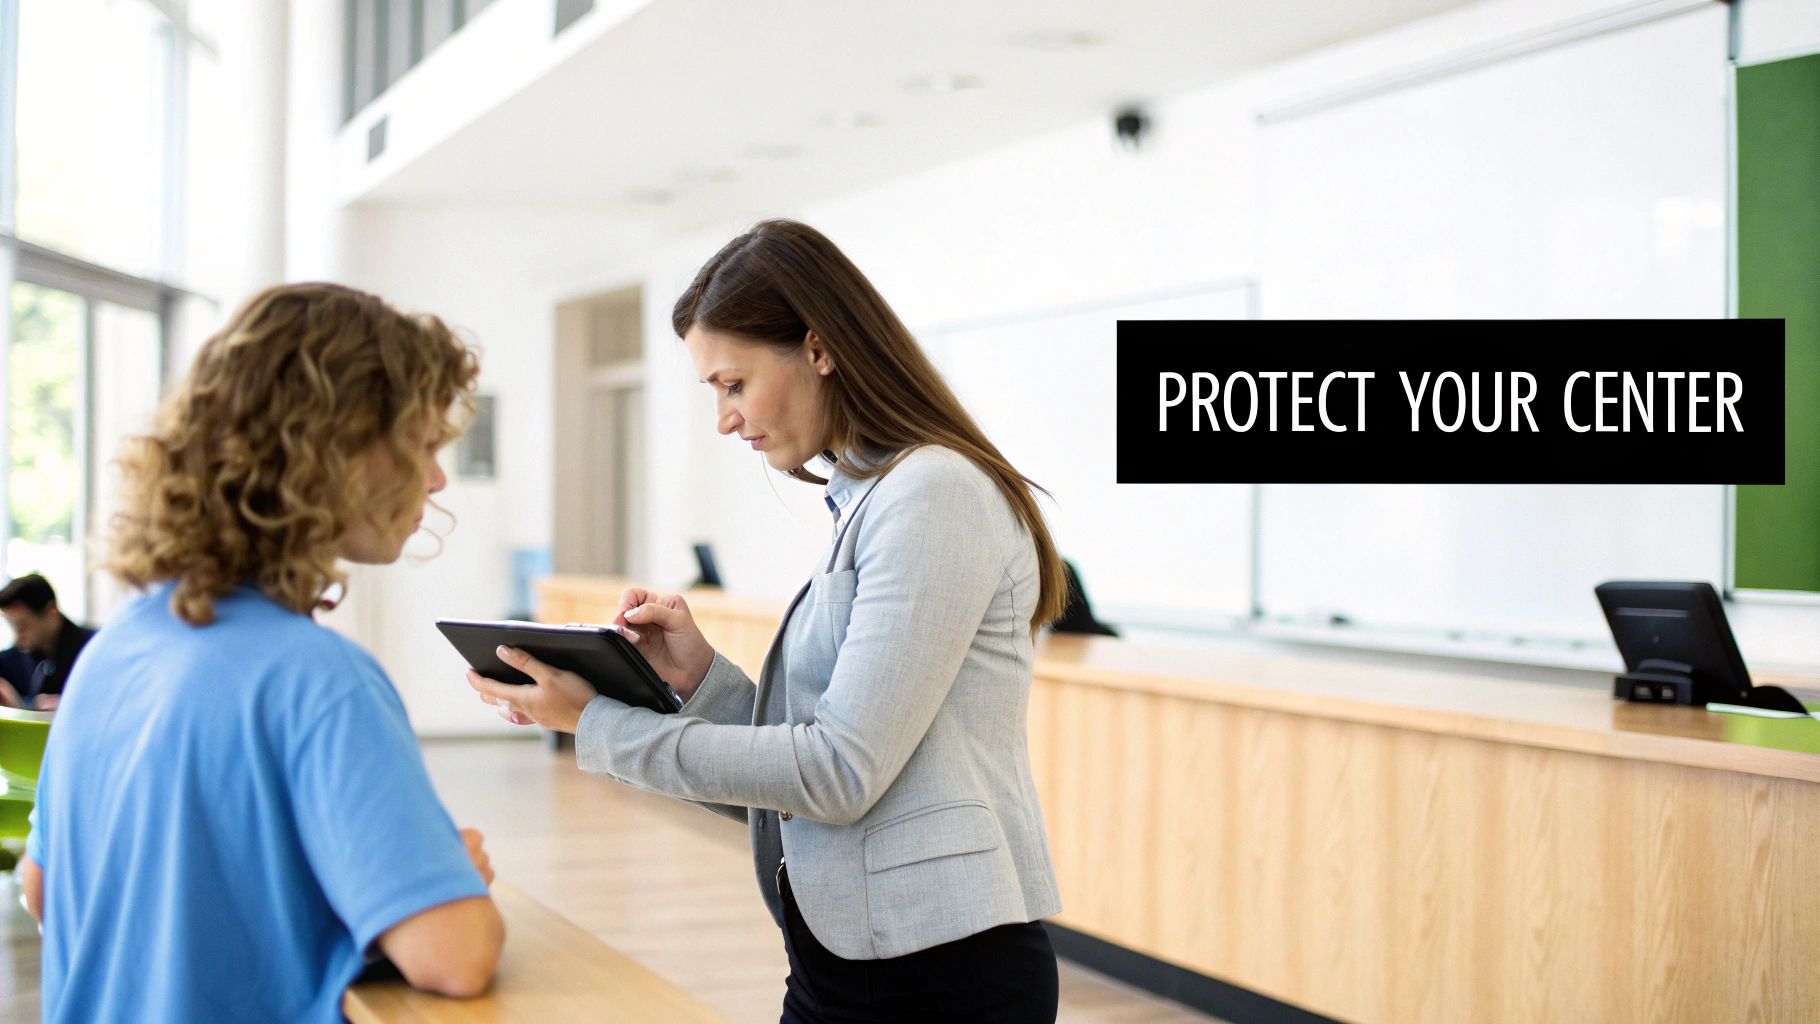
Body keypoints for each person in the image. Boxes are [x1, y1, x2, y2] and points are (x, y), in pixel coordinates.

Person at [469, 219, 1067, 1023]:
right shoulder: (873, 498)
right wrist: (696, 678)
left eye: (734, 384)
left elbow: (838, 773)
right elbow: (810, 773)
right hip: (849, 959)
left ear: (819, 348)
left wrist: (597, 723)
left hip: (937, 975)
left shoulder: (933, 496)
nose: (723, 418)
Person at [20, 283, 505, 1022]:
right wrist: (443, 883)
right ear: (336, 447)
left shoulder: (115, 647)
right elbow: (455, 954)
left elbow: (42, 889)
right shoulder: (320, 679)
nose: (437, 477)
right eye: (423, 444)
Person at [0, 574, 94, 710]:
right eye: (13, 627)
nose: (18, 638)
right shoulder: (16, 658)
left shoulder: (93, 650)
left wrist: (75, 707)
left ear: (51, 610)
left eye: (23, 626)